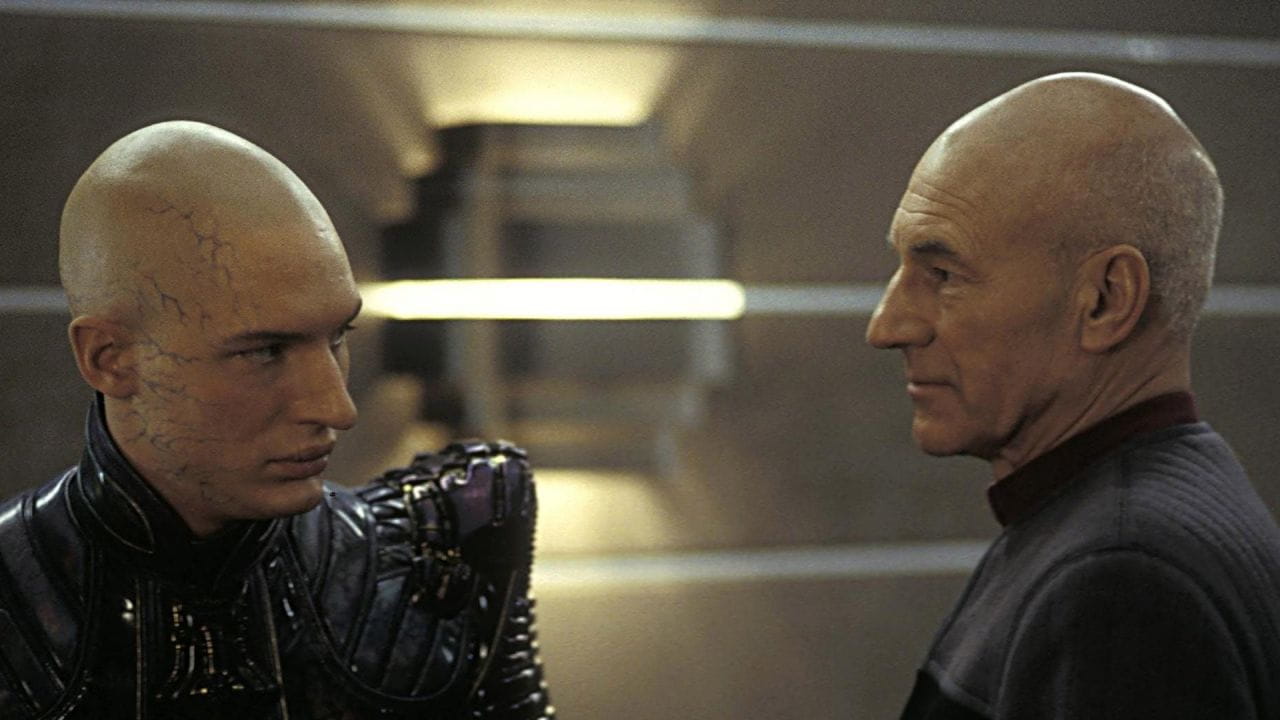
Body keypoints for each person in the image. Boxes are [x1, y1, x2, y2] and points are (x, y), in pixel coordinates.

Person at [0, 121, 553, 719]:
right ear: (110, 359)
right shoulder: (19, 594)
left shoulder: (435, 554)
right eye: (264, 352)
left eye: (339, 336)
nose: (337, 408)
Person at [866, 72, 1280, 719]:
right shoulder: (1125, 528)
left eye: (942, 274)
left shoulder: (1120, 583)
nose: (887, 327)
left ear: (1107, 299)